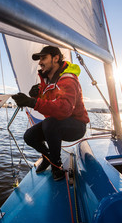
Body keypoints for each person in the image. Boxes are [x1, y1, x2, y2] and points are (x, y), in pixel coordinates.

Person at [12, 46, 89, 181]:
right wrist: (36, 96)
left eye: (43, 58)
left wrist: (32, 102)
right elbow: (49, 104)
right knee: (29, 136)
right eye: (39, 59)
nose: (40, 62)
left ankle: (56, 165)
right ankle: (48, 158)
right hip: (55, 124)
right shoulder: (46, 81)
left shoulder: (68, 79)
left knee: (50, 123)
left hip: (76, 126)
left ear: (56, 58)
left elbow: (64, 110)